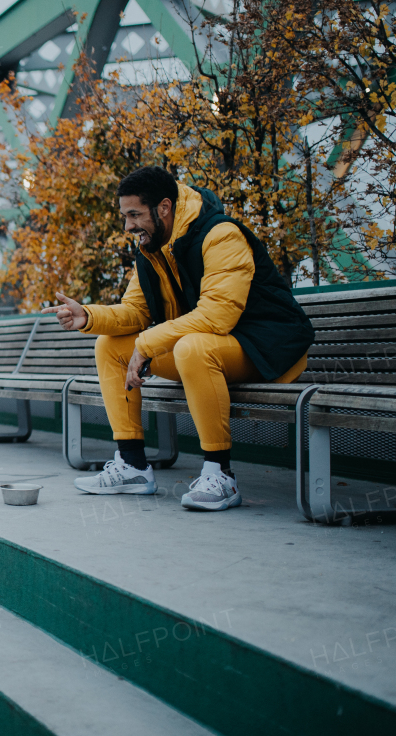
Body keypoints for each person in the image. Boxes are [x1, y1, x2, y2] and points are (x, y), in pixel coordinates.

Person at [44, 166, 314, 511]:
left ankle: (221, 474)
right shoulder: (153, 249)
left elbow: (219, 315)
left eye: (134, 215)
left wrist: (147, 343)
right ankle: (133, 467)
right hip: (211, 350)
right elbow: (135, 312)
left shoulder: (221, 235)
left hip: (268, 349)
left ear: (165, 208)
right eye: (125, 216)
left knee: (192, 347)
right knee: (110, 346)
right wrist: (89, 316)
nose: (128, 226)